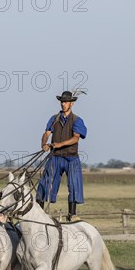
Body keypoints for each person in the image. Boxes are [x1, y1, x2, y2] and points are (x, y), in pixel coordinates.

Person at [36, 91, 87, 222]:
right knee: (45, 182)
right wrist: (44, 144)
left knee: (74, 183)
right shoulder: (54, 119)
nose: (63, 104)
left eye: (66, 102)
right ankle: (39, 213)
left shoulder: (77, 120)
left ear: (72, 103)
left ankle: (72, 214)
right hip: (56, 157)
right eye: (62, 102)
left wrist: (59, 144)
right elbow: (47, 133)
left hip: (71, 158)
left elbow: (76, 138)